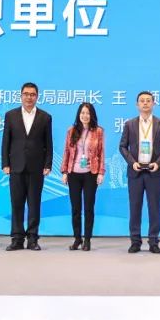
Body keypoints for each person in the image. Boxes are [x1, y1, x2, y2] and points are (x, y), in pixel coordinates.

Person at [119, 91, 160, 254]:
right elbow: (122, 146)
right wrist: (132, 162)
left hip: (154, 171)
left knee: (154, 208)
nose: (145, 103)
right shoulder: (130, 124)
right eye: (142, 101)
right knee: (134, 207)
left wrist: (158, 163)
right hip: (135, 171)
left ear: (153, 104)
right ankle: (135, 241)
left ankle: (154, 241)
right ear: (137, 105)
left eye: (148, 100)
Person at [1, 82, 53, 251]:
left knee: (34, 204)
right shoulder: (11, 115)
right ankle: (17, 238)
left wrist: (48, 163)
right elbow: (6, 141)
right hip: (15, 166)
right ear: (21, 95)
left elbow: (48, 143)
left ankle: (32, 238)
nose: (29, 97)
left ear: (37, 97)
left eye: (32, 94)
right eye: (26, 94)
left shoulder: (45, 117)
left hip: (36, 167)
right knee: (16, 204)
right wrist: (5, 163)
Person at [60, 102, 105, 251]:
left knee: (89, 208)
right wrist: (64, 172)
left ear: (92, 115)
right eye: (82, 113)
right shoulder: (71, 130)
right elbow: (66, 152)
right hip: (74, 173)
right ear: (79, 115)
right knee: (75, 208)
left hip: (90, 174)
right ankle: (77, 239)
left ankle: (87, 240)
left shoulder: (98, 131)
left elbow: (101, 153)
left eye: (87, 113)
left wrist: (101, 172)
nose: (85, 116)